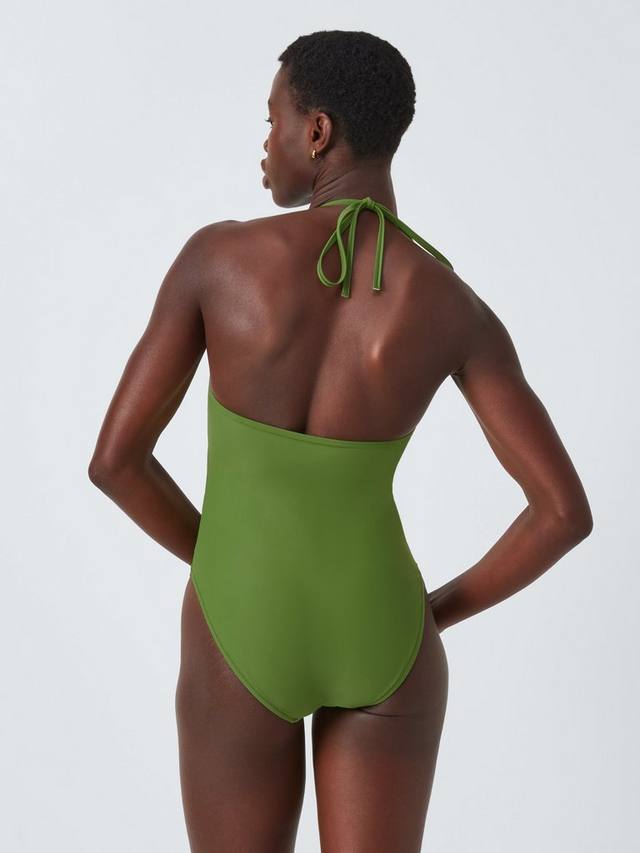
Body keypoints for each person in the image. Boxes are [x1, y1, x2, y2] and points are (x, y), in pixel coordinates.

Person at [88, 29, 593, 853]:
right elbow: (562, 513)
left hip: (241, 615)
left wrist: (225, 559)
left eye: (273, 120)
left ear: (317, 131)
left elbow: (116, 462)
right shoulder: (452, 305)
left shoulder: (219, 261)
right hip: (384, 626)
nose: (267, 142)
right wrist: (428, 615)